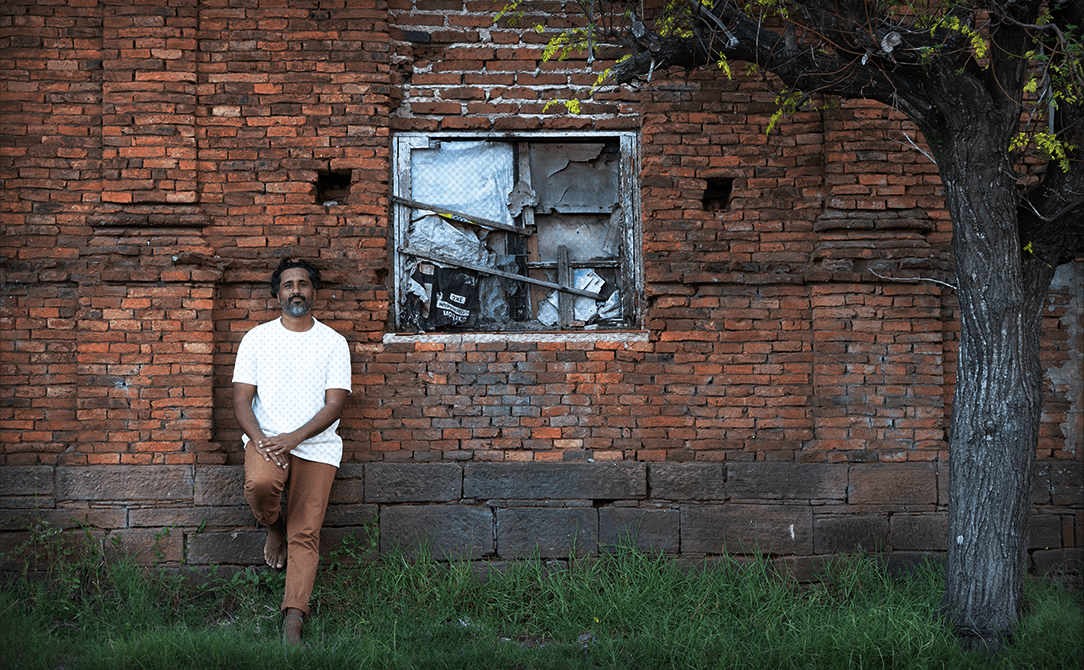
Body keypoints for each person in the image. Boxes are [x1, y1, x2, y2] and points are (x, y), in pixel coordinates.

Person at [232, 258, 351, 646]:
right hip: (267, 440)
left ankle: (293, 620)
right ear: (277, 293)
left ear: (313, 291)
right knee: (259, 485)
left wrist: (294, 438)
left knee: (306, 531)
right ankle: (273, 527)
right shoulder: (256, 338)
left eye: (303, 283)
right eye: (288, 284)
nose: (296, 290)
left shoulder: (333, 342)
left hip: (317, 446)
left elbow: (336, 404)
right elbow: (241, 401)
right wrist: (261, 440)